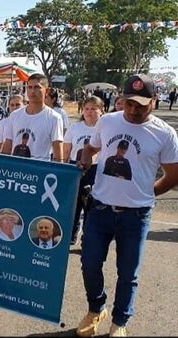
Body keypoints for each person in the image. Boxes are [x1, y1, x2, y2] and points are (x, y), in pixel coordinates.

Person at [76, 74, 178, 337]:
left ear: (154, 101)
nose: (133, 110)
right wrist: (86, 159)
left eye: (141, 105)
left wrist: (147, 193)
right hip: (99, 209)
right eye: (129, 103)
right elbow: (91, 148)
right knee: (89, 263)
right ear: (121, 99)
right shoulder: (107, 121)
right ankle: (97, 308)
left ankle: (120, 321)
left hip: (136, 216)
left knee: (128, 273)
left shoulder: (165, 134)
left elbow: (174, 174)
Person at [63, 96, 103, 244]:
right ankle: (71, 234)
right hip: (75, 167)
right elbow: (66, 150)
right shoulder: (75, 127)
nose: (89, 112)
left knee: (91, 206)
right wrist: (65, 168)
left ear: (101, 110)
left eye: (94, 109)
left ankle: (88, 238)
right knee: (73, 204)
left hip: (96, 169)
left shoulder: (105, 128)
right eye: (86, 109)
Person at [1, 74, 64, 162]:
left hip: (40, 171)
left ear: (46, 91)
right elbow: (8, 144)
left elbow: (58, 151)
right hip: (15, 170)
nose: (32, 91)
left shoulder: (54, 118)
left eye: (37, 87)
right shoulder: (14, 115)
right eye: (29, 87)